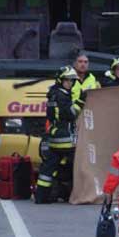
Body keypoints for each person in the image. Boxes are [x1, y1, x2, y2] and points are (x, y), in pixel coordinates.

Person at [35, 66, 86, 204]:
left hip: (54, 137)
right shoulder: (62, 96)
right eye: (68, 80)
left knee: (49, 167)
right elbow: (71, 114)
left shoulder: (53, 93)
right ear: (60, 80)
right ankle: (79, 194)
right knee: (78, 164)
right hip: (64, 139)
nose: (70, 83)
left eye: (72, 81)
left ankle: (41, 196)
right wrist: (81, 100)